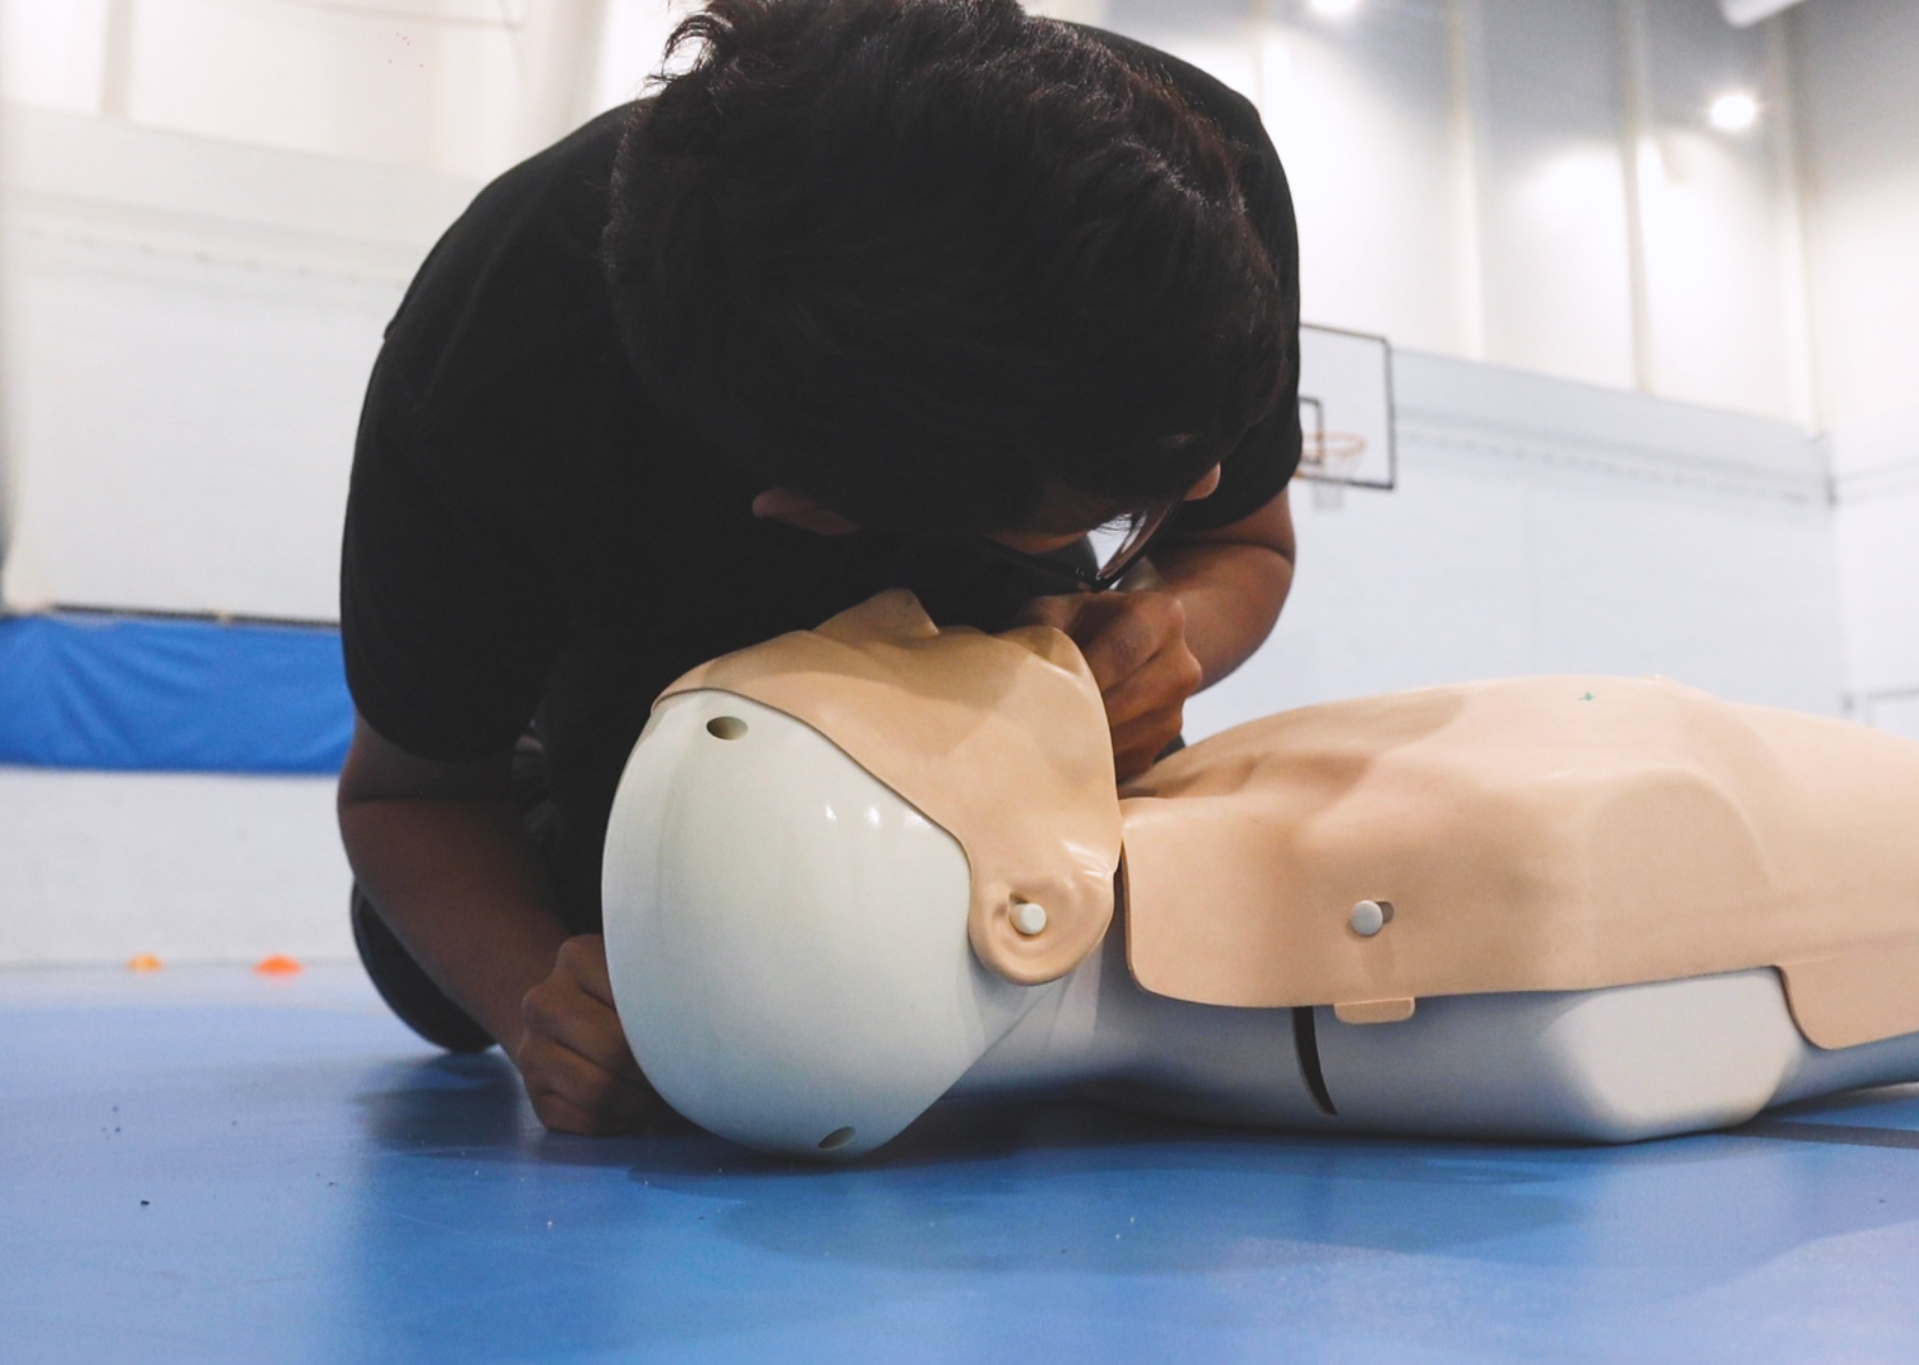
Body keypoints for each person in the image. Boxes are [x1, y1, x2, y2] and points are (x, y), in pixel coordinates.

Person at [336, 0, 1302, 1136]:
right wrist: (532, 991)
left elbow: (1240, 540)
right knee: (668, 921)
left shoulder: (1193, 177)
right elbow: (410, 793)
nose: (1197, 489)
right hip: (630, 655)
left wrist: (1153, 627)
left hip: (979, 580)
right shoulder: (493, 377)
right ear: (822, 514)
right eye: (1111, 506)